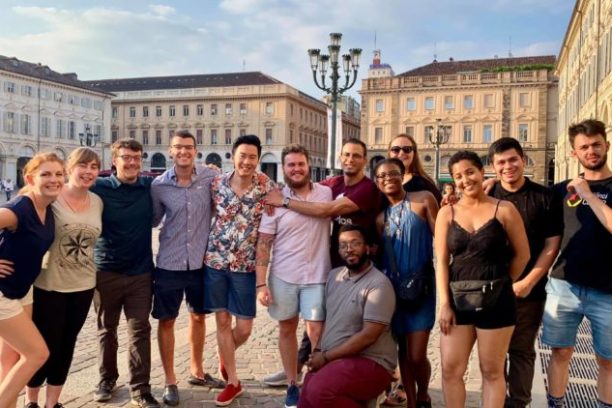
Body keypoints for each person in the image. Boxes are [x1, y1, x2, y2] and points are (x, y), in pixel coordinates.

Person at [264, 138, 380, 386]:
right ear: (340, 157)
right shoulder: (333, 184)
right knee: (318, 327)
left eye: (356, 155)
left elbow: (326, 210)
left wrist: (283, 201)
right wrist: (270, 190)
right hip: (333, 268)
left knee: (347, 327)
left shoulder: (367, 188)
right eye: (346, 155)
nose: (350, 160)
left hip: (360, 269)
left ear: (365, 160)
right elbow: (302, 183)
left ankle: (368, 378)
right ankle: (296, 373)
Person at [434, 150, 529, 408]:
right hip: (457, 301)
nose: (465, 180)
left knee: (492, 371)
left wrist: (501, 283)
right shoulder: (447, 213)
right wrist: (444, 304)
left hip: (498, 303)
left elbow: (523, 254)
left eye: (469, 172)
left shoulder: (504, 209)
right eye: (458, 176)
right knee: (451, 369)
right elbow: (441, 261)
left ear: (481, 171)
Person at [23, 148, 103, 408]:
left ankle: (52, 403)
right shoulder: (50, 198)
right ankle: (31, 401)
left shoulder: (97, 201)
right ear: (70, 168)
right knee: (44, 347)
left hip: (83, 286)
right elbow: (15, 222)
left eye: (94, 166)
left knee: (67, 345)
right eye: (83, 165)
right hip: (49, 285)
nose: (88, 171)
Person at [486, 137, 562, 408]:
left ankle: (518, 403)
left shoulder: (544, 197)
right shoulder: (487, 195)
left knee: (520, 351)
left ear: (523, 159)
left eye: (512, 160)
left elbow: (552, 245)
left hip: (527, 290)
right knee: (493, 355)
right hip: (490, 289)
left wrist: (529, 282)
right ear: (494, 167)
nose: (508, 166)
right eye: (501, 162)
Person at [150, 131, 224, 406]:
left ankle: (197, 370)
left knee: (198, 317)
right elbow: (155, 219)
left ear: (196, 150)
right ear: (170, 151)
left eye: (188, 147)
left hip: (201, 262)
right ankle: (170, 380)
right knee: (167, 320)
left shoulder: (210, 177)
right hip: (169, 262)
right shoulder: (158, 185)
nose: (184, 151)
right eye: (178, 147)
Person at [256, 144, 332, 408]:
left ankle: (318, 381)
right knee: (286, 329)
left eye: (301, 164)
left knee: (317, 331)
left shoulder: (326, 192)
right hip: (284, 276)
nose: (296, 169)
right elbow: (264, 244)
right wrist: (261, 283)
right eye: (291, 165)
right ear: (284, 168)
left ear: (309, 165)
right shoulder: (272, 201)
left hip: (317, 276)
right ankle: (291, 383)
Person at [543, 119, 612, 408]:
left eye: (596, 144)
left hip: (607, 289)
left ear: (606, 145)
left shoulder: (585, 188)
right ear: (574, 153)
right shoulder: (561, 190)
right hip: (563, 285)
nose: (591, 150)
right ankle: (555, 404)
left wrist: (588, 195)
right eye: (584, 146)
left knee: (608, 360)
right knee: (560, 352)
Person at [204, 135, 275, 406]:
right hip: (216, 263)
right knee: (222, 322)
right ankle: (233, 382)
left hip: (245, 267)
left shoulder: (267, 187)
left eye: (252, 157)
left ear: (258, 159)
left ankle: (226, 355)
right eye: (242, 155)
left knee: (244, 327)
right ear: (232, 156)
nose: (247, 161)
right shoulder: (216, 183)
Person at [91, 139, 160, 407]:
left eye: (136, 157)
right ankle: (106, 379)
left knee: (140, 330)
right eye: (125, 157)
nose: (131, 162)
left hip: (141, 274)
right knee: (106, 329)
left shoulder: (149, 186)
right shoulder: (99, 187)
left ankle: (140, 388)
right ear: (114, 161)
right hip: (105, 270)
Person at [298, 224, 396, 407]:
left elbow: (369, 335)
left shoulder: (379, 284)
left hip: (371, 362)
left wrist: (326, 357)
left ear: (368, 248)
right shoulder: (334, 277)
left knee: (320, 390)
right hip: (335, 359)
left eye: (355, 243)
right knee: (306, 398)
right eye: (343, 245)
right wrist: (318, 351)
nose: (349, 249)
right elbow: (328, 320)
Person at [0, 152, 65, 407]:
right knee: (37, 354)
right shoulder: (19, 208)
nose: (54, 179)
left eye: (59, 174)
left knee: (11, 359)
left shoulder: (46, 206)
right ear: (29, 177)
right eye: (46, 174)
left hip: (22, 290)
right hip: (2, 293)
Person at [374, 158, 438, 408]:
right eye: (381, 176)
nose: (387, 178)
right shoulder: (381, 218)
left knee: (417, 354)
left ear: (402, 176)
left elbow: (442, 236)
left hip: (421, 288)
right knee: (402, 352)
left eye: (393, 173)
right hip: (394, 292)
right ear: (377, 182)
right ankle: (412, 401)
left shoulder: (422, 199)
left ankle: (423, 393)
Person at [387, 134, 442, 203]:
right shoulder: (382, 181)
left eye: (407, 149)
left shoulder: (423, 184)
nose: (401, 153)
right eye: (396, 149)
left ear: (414, 154)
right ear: (389, 153)